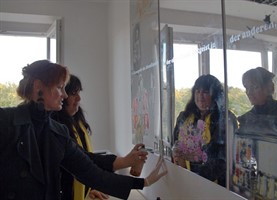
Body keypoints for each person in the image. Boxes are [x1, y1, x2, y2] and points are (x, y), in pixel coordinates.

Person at [0, 60, 167, 200]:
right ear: (38, 87)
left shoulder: (58, 133)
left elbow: (91, 173)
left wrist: (143, 182)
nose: (64, 95)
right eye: (60, 88)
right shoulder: (6, 121)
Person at [51, 74, 148, 200]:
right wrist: (126, 163)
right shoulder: (56, 129)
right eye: (73, 93)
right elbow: (84, 162)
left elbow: (86, 163)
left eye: (79, 92)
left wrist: (92, 188)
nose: (79, 98)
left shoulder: (78, 121)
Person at [172, 74, 237, 187]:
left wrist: (191, 172)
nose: (200, 97)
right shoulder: (184, 116)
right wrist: (176, 154)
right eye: (197, 91)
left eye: (206, 92)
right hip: (182, 177)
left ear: (215, 95)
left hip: (212, 185)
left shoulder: (225, 119)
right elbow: (174, 142)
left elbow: (221, 161)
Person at [237, 67, 277, 136]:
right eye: (247, 88)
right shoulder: (245, 119)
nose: (249, 92)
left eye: (254, 87)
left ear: (270, 87)